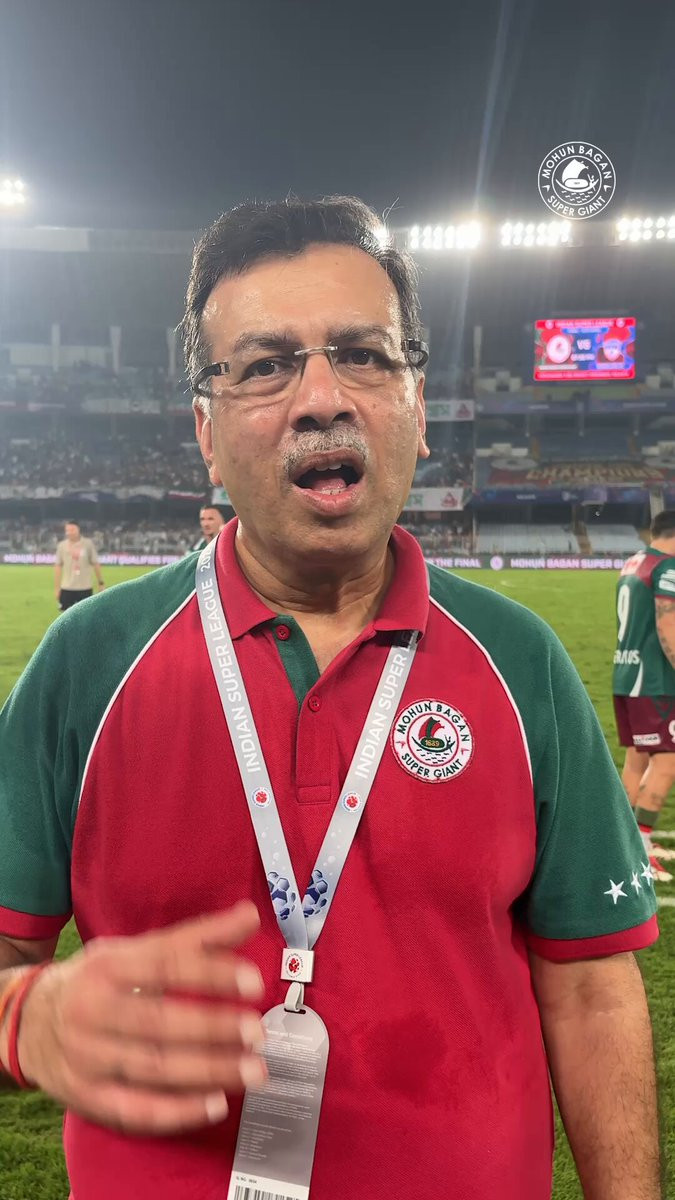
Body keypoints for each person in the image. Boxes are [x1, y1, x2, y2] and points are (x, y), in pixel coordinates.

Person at [0, 197, 661, 1200]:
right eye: (265, 366)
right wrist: (26, 1019)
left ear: (418, 407)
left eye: (362, 355)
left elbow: (591, 984)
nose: (320, 398)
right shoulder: (87, 664)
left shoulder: (519, 662)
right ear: (206, 432)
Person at [613, 509, 675, 882]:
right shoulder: (667, 568)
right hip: (654, 683)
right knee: (667, 764)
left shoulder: (633, 563)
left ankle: (623, 843)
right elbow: (667, 624)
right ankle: (643, 850)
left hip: (627, 675)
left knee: (636, 762)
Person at [54, 520, 105, 610]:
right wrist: (57, 588)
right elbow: (58, 566)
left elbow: (95, 563)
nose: (69, 532)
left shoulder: (88, 544)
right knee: (66, 616)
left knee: (86, 615)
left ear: (78, 529)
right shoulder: (62, 546)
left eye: (72, 530)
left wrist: (101, 583)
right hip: (67, 587)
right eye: (67, 530)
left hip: (85, 587)